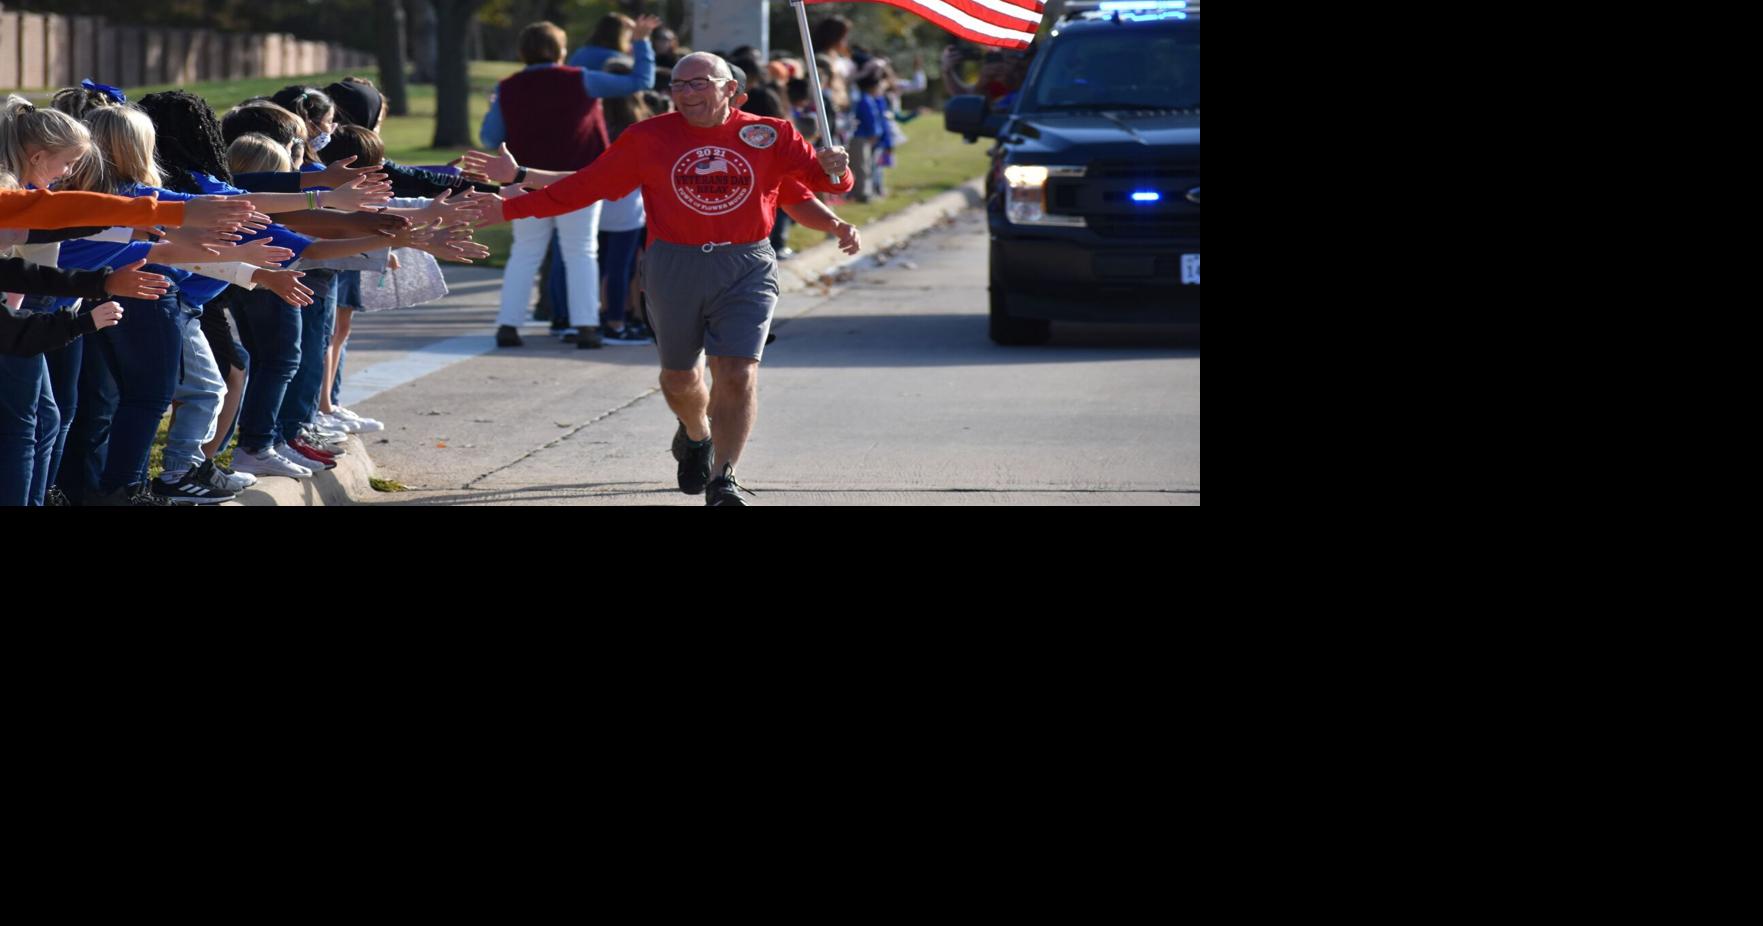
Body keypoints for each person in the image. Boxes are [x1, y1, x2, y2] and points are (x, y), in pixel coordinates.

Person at [468, 53, 852, 506]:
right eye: (679, 85)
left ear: (730, 89)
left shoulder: (771, 134)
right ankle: (696, 433)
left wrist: (837, 165)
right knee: (679, 379)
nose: (687, 94)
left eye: (700, 84)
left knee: (738, 371)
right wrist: (510, 203)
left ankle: (723, 478)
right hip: (674, 264)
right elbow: (586, 186)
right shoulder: (648, 138)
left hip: (747, 264)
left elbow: (828, 183)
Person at [482, 17, 658, 350]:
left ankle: (508, 324)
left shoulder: (508, 87)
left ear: (523, 52)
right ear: (561, 50)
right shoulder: (581, 79)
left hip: (525, 180)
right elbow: (640, 80)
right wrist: (641, 42)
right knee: (581, 252)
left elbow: (489, 135)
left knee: (525, 254)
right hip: (580, 181)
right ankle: (586, 326)